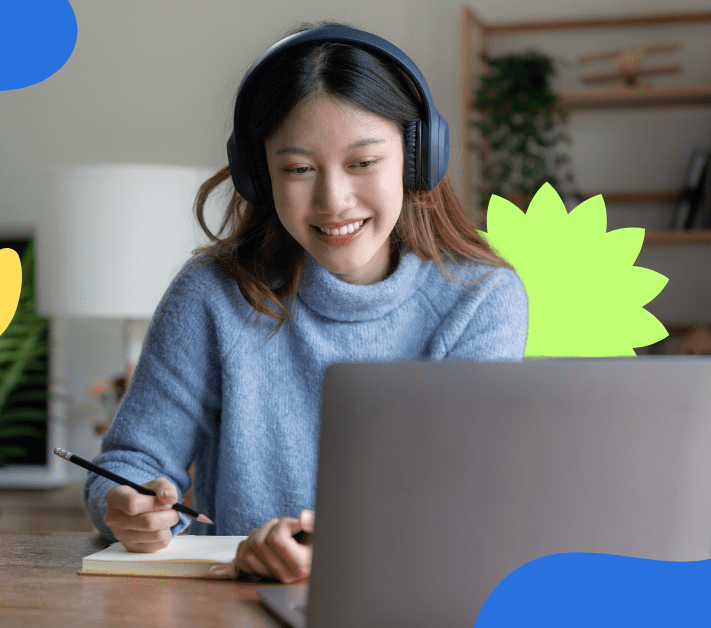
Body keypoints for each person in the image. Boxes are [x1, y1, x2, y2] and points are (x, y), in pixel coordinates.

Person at [83, 21, 529, 584]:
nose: (333, 201)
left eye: (364, 163)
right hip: (235, 608)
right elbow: (124, 468)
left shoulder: (480, 300)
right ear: (258, 175)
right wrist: (127, 507)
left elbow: (466, 503)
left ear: (419, 157)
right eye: (298, 170)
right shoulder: (212, 294)